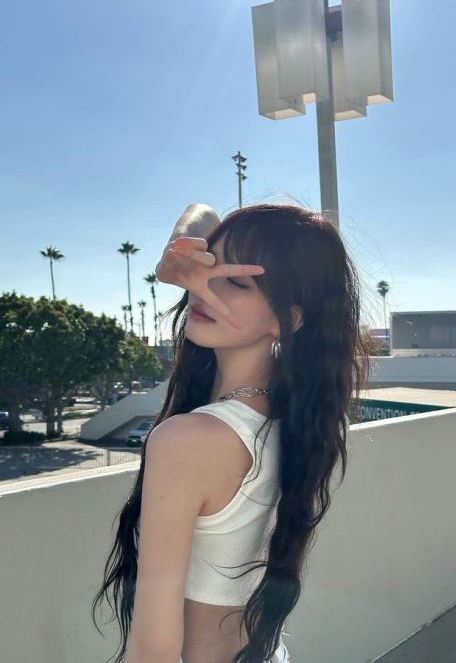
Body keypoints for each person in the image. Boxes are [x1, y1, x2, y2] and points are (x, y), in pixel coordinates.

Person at [91, 202, 370, 663]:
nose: (203, 287)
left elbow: (153, 652)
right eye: (209, 267)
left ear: (288, 319)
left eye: (236, 282)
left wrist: (172, 258)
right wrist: (179, 257)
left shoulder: (190, 439)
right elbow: (201, 213)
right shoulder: (293, 417)